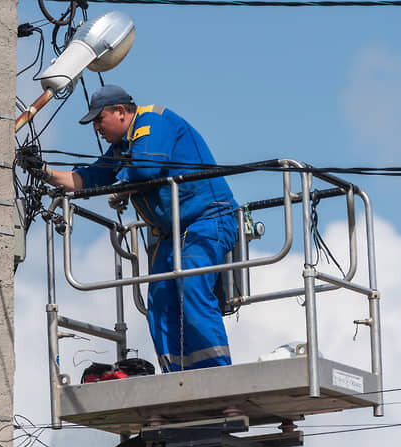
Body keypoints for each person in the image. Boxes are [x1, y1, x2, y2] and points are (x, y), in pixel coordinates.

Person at [21, 85, 238, 372]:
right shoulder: (123, 149)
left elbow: (146, 168)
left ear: (121, 112)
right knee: (160, 300)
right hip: (171, 232)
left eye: (100, 119)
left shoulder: (153, 121)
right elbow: (88, 178)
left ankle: (219, 372)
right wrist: (44, 171)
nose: (97, 128)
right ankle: (178, 376)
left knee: (191, 282)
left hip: (207, 219)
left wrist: (122, 185)